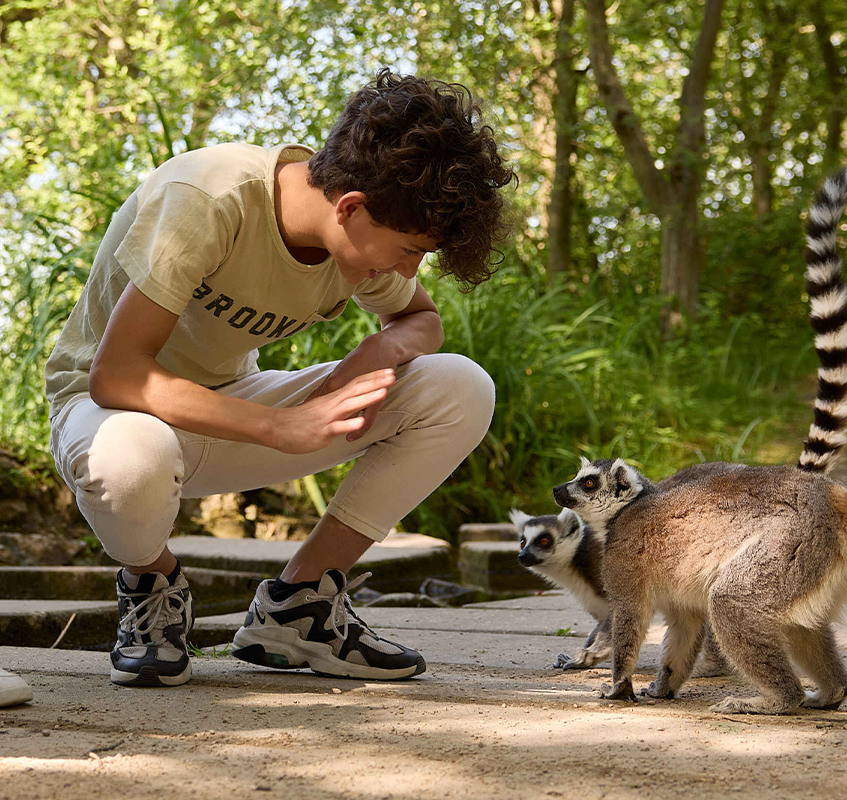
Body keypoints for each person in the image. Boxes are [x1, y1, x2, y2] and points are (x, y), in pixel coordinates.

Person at [43, 69, 514, 687]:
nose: (408, 267)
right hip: (107, 415)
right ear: (350, 208)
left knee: (460, 386)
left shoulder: (361, 235)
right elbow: (118, 376)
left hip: (225, 412)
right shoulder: (208, 197)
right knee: (135, 456)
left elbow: (422, 321)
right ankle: (152, 587)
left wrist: (373, 355)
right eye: (408, 250)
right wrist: (280, 424)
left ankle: (299, 608)